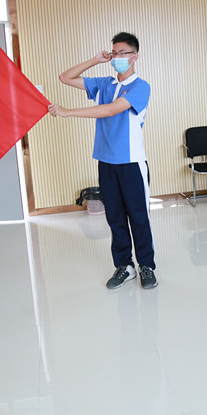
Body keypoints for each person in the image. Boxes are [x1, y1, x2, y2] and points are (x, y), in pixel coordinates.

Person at [48, 32, 157, 290]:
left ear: (134, 57)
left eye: (123, 53)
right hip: (106, 161)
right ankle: (125, 266)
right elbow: (65, 77)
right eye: (114, 53)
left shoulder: (140, 86)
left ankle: (146, 266)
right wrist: (95, 60)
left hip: (131, 163)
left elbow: (110, 110)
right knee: (115, 218)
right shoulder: (104, 84)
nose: (117, 57)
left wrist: (68, 112)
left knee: (138, 217)